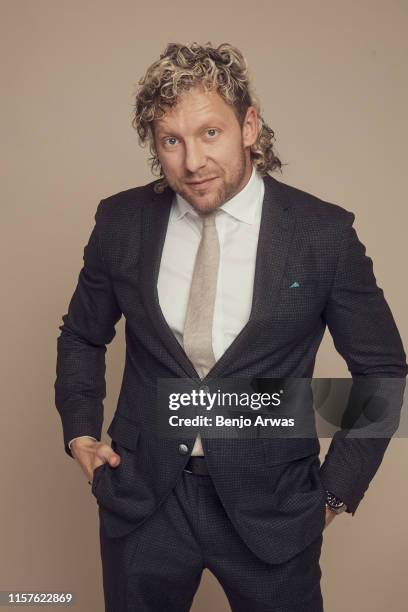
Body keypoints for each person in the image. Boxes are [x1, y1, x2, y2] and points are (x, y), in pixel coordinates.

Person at [54, 42, 407, 612]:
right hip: (144, 500)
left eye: (210, 133)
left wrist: (334, 492)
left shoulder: (322, 235)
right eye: (172, 140)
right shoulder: (120, 222)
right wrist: (79, 434)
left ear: (249, 126)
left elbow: (383, 372)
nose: (192, 162)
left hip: (273, 507)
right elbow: (82, 335)